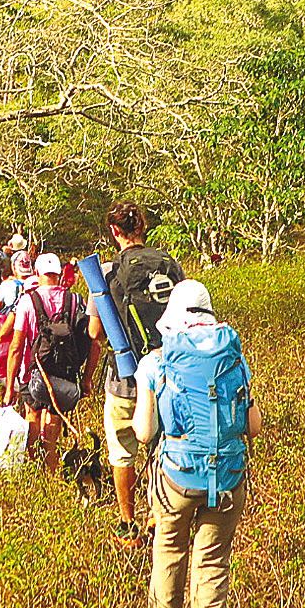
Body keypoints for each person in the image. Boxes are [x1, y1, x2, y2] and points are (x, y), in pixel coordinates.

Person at [134, 278, 261, 608]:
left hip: (177, 477)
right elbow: (254, 426)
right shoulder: (234, 358)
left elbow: (143, 432)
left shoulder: (155, 362)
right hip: (227, 477)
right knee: (212, 565)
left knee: (168, 552)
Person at [82, 201, 183, 547]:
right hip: (168, 374)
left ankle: (127, 524)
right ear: (143, 227)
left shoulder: (106, 273)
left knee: (122, 452)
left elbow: (95, 332)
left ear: (114, 231)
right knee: (161, 443)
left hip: (124, 378)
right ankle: (157, 513)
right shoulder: (170, 265)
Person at [1, 252, 91, 472]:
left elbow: (16, 347)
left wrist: (10, 387)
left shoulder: (27, 302)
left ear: (37, 273)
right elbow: (91, 341)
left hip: (32, 372)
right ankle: (51, 470)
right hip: (64, 374)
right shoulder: (75, 300)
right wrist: (86, 379)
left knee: (32, 415)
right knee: (53, 420)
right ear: (59, 274)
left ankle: (35, 468)